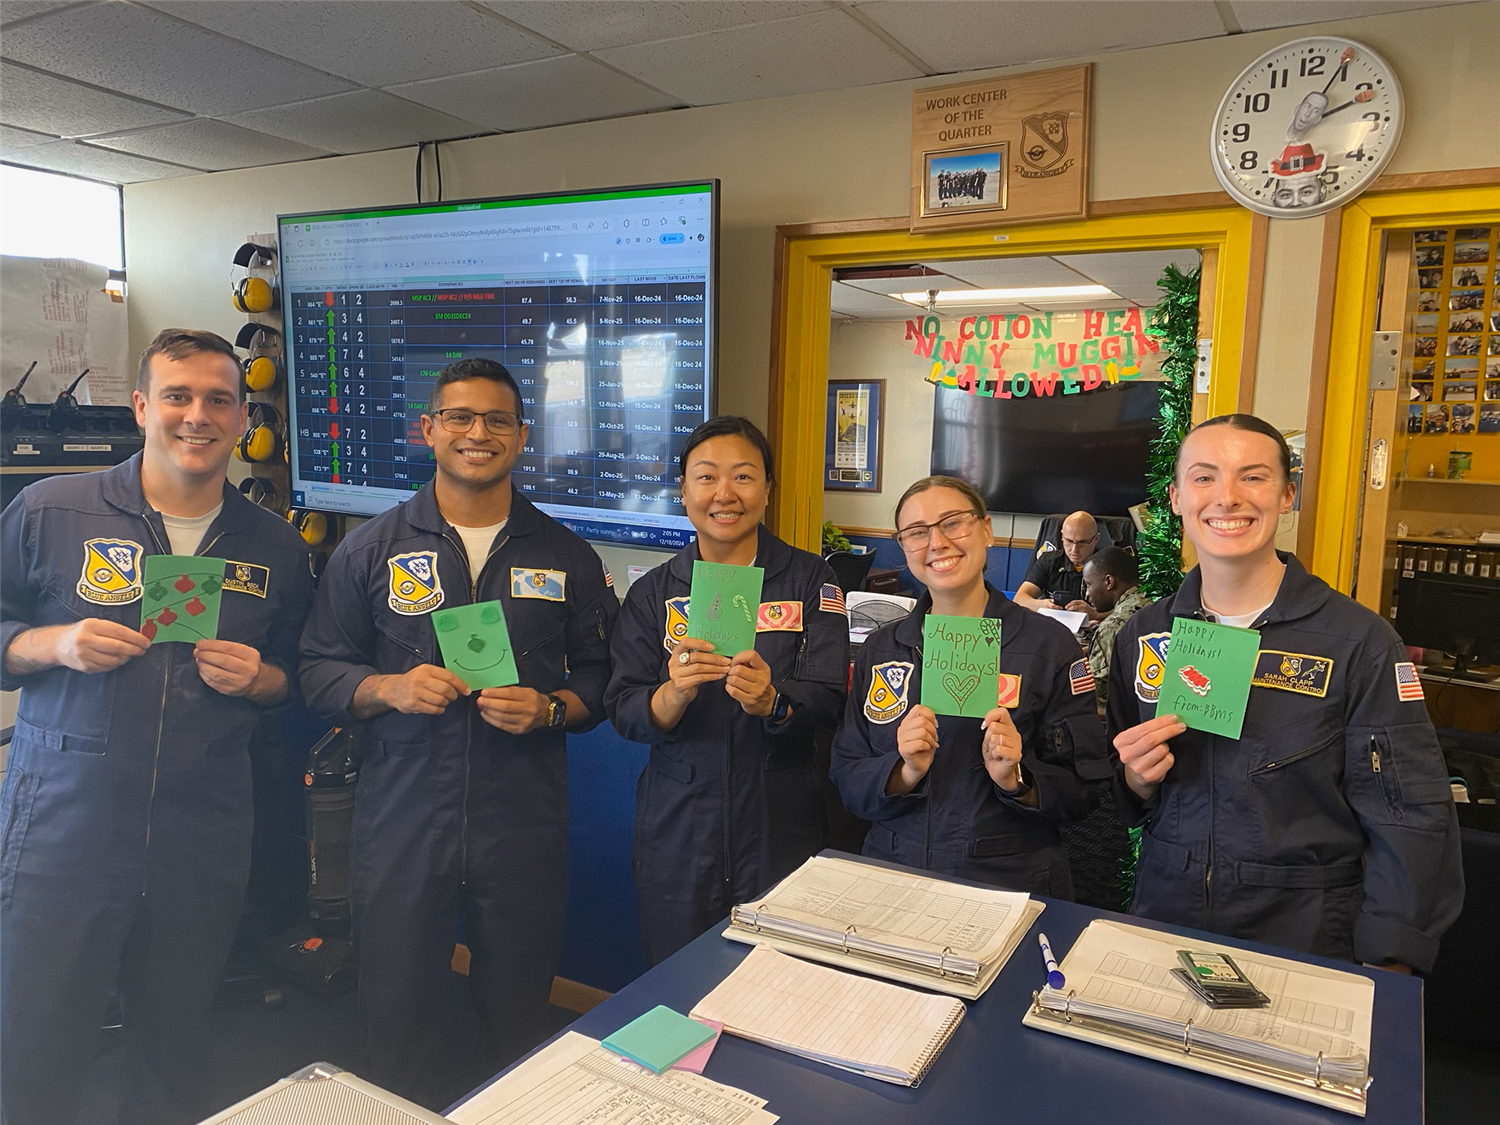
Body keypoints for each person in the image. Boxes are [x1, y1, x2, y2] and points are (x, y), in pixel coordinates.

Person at [0, 329, 312, 1125]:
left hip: (200, 831)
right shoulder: (50, 509)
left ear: (244, 418)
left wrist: (263, 677)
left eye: (218, 399)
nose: (196, 415)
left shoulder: (274, 544)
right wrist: (50, 643)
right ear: (143, 406)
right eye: (177, 395)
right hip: (63, 828)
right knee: (35, 1042)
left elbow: (299, 678)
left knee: (175, 1045)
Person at [299, 358, 617, 1108]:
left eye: (498, 420)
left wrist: (548, 708)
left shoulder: (565, 555)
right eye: (462, 418)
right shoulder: (369, 550)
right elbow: (319, 671)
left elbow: (604, 681)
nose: (480, 433)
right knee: (396, 1019)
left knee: (517, 1021)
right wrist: (389, 687)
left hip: (521, 823)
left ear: (522, 436)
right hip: (404, 819)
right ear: (430, 430)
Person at [1108, 413, 1463, 973]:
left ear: (1287, 494)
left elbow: (1410, 813)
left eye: (1252, 477)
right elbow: (1124, 790)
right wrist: (1135, 778)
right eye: (1204, 478)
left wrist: (1392, 961)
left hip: (1305, 935)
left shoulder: (1360, 643)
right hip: (1166, 921)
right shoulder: (1145, 635)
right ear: (1175, 498)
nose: (1226, 497)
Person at [604, 416, 849, 966]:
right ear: (683, 492)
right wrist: (670, 696)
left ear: (766, 489)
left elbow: (831, 699)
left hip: (779, 815)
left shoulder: (812, 580)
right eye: (706, 477)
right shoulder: (652, 592)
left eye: (743, 477)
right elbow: (622, 707)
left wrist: (775, 702)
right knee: (677, 981)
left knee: (782, 985)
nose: (724, 494)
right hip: (679, 821)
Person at [830, 475, 1108, 895]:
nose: (937, 542)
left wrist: (1018, 780)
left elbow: (1085, 790)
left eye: (953, 523)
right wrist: (904, 772)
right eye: (917, 533)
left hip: (1009, 880)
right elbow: (846, 774)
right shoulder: (883, 648)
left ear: (986, 529)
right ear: (903, 546)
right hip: (893, 873)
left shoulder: (1049, 647)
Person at [1082, 546, 1151, 719]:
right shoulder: (1152, 604)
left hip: (1120, 724)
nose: (1087, 594)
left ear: (1108, 582)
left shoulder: (1112, 627)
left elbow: (1092, 695)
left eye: (1089, 585)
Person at [1014, 509, 1100, 615]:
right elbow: (1019, 598)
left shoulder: (1109, 566)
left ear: (1096, 539)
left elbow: (1125, 610)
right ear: (1062, 536)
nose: (1074, 550)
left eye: (1082, 543)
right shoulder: (1049, 561)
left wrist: (1095, 614)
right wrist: (1043, 605)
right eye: (1068, 541)